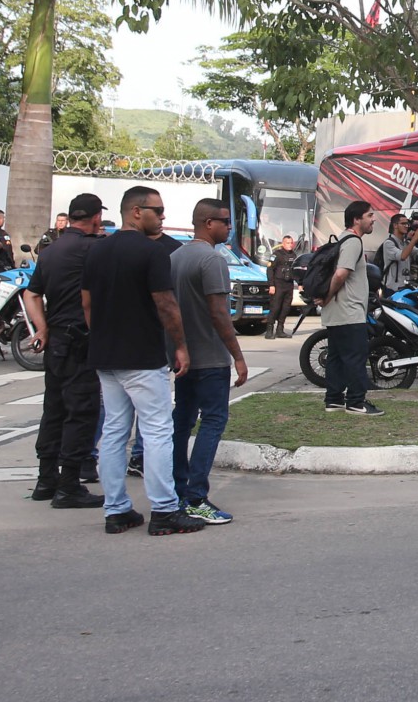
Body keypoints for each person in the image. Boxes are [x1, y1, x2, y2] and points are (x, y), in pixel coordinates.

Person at [81, 185, 202, 535]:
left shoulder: (97, 252)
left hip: (106, 356)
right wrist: (180, 346)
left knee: (115, 431)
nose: (162, 217)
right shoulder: (151, 253)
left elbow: (87, 304)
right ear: (136, 211)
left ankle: (116, 509)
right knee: (157, 430)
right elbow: (166, 304)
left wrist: (102, 335)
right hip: (142, 357)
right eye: (158, 210)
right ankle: (164, 509)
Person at [20, 193, 106, 508]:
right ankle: (69, 483)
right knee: (81, 412)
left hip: (55, 341)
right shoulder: (96, 250)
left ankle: (46, 479)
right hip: (81, 340)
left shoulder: (51, 251)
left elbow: (31, 295)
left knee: (53, 410)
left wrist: (41, 328)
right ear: (96, 218)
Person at [169, 199, 250, 524]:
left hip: (183, 357)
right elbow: (219, 313)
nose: (229, 228)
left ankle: (176, 489)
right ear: (207, 223)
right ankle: (196, 496)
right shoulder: (212, 260)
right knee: (213, 421)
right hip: (210, 358)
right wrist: (238, 357)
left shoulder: (174, 258)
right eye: (225, 221)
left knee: (182, 422)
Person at [321, 201, 384, 417]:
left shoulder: (340, 239)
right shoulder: (353, 242)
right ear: (357, 219)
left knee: (336, 357)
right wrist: (327, 296)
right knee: (356, 357)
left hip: (337, 312)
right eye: (369, 215)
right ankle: (356, 401)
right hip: (349, 311)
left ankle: (334, 399)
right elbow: (341, 274)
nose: (373, 219)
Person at [266, 234, 297, 338]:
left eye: (291, 243)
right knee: (275, 307)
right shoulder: (276, 255)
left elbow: (296, 270)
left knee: (286, 308)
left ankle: (280, 330)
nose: (290, 245)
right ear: (283, 244)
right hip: (278, 284)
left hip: (289, 285)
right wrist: (271, 285)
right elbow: (270, 270)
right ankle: (269, 331)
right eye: (288, 243)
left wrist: (300, 284)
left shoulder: (294, 255)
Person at [378, 213, 413, 294]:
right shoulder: (389, 243)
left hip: (405, 287)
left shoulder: (406, 243)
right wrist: (414, 239)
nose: (406, 226)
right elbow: (402, 256)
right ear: (395, 225)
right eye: (403, 224)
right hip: (392, 289)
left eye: (407, 224)